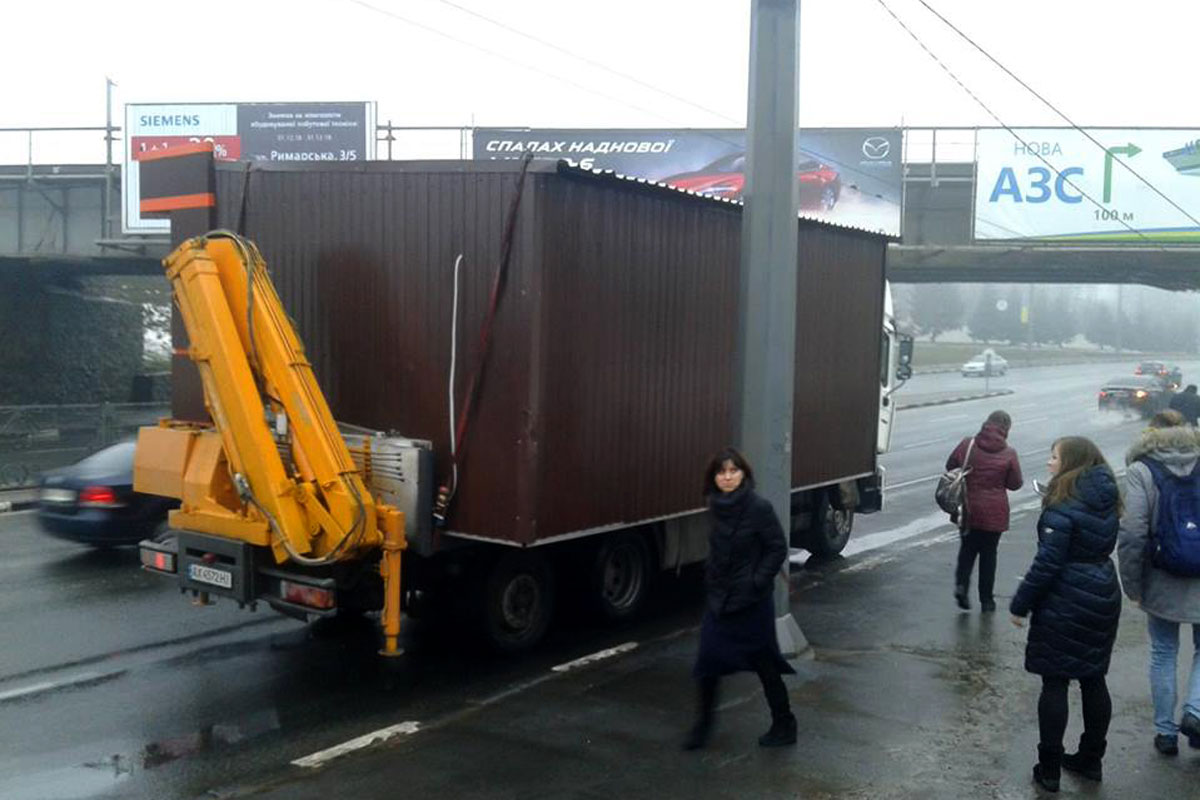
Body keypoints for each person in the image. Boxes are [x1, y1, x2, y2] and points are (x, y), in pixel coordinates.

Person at [1010, 437, 1122, 792]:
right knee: (1093, 676)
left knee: (1055, 679)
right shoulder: (1105, 497)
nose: (1048, 462)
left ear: (1071, 462)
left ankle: (1050, 768)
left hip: (1066, 597)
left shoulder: (1063, 504)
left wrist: (1021, 603)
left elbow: (1048, 563)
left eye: (1054, 457)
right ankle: (1091, 761)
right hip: (1103, 589)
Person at [684, 447, 796, 751]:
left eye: (734, 471)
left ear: (744, 473)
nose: (728, 477)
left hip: (752, 602)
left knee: (764, 663)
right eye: (722, 472)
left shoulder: (758, 507)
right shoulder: (715, 506)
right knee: (708, 661)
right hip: (720, 600)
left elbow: (777, 547)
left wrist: (757, 581)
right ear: (714, 477)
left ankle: (784, 723)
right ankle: (703, 727)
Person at [1118, 409, 1200, 757]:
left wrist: (1132, 584)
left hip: (1161, 574)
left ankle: (1165, 733)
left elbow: (1133, 532)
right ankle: (1195, 712)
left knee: (1164, 652)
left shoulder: (1141, 469)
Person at [945, 410, 1023, 612]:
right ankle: (987, 601)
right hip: (994, 512)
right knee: (989, 555)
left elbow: (951, 466)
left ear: (986, 424)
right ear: (1006, 429)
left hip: (968, 509)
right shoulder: (1009, 453)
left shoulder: (967, 444)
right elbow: (1015, 484)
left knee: (967, 550)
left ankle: (961, 587)